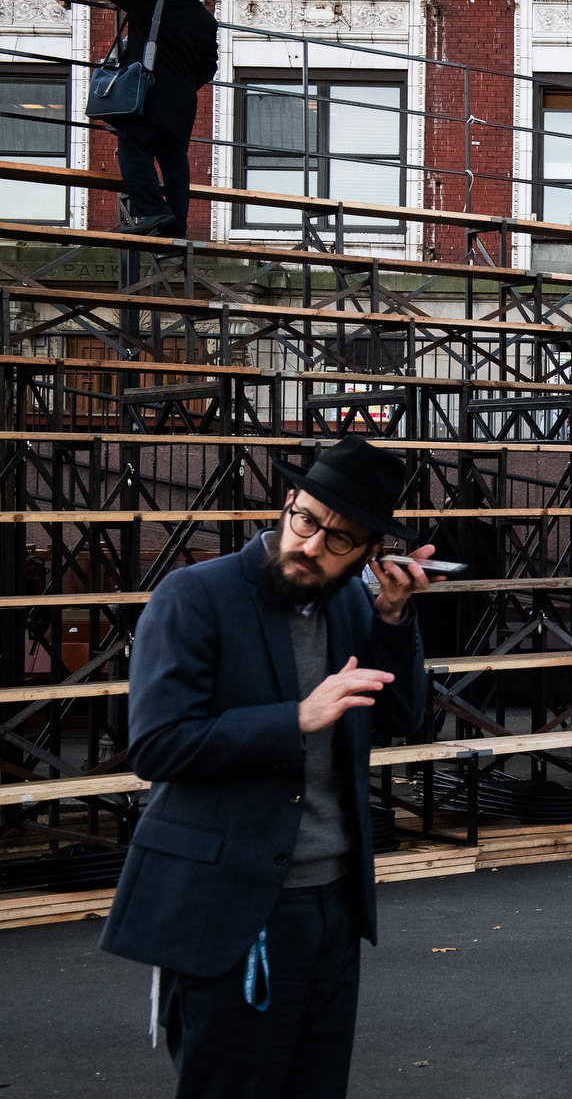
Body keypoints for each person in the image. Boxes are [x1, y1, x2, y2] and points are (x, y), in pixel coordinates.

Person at [98, 435, 433, 1096]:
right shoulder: (195, 595)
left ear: (369, 553)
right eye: (306, 519)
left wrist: (394, 618)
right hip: (233, 907)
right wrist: (296, 718)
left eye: (339, 539)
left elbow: (403, 720)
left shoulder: (350, 604)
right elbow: (158, 745)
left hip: (333, 904)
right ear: (287, 503)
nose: (311, 545)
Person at [65, 0, 218, 239]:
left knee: (133, 146)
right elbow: (208, 68)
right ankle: (176, 230)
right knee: (174, 164)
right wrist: (183, 84)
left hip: (146, 95)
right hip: (182, 104)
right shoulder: (206, 19)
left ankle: (152, 211)